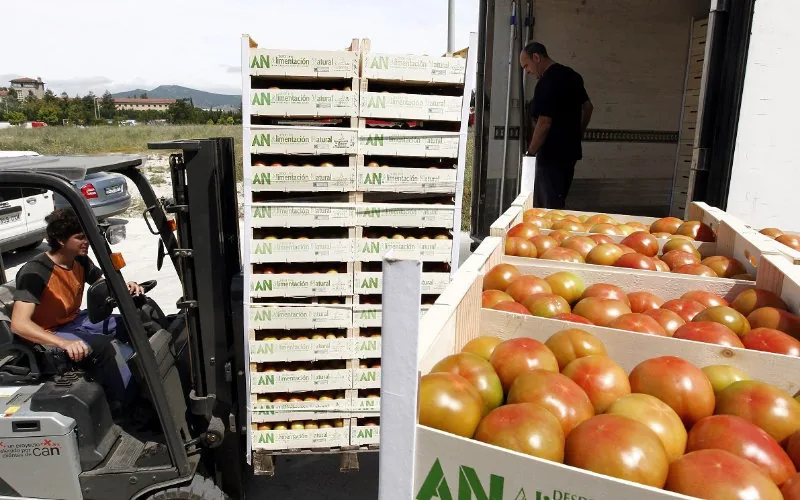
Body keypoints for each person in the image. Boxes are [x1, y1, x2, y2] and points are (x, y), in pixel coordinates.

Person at [10, 207, 143, 414]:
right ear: (61, 240)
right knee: (104, 346)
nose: (86, 241)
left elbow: (103, 284)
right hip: (48, 333)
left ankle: (148, 378)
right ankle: (127, 406)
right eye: (79, 237)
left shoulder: (79, 260)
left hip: (75, 321)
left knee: (131, 322)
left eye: (86, 236)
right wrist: (64, 342)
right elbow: (19, 324)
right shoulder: (35, 272)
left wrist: (126, 285)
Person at [521, 42, 593, 209]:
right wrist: (578, 133)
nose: (527, 71)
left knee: (546, 208)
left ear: (536, 57)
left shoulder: (546, 82)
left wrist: (530, 152)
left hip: (551, 156)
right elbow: (588, 107)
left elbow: (544, 122)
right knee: (558, 201)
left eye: (526, 66)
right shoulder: (573, 76)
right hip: (570, 154)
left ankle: (548, 235)